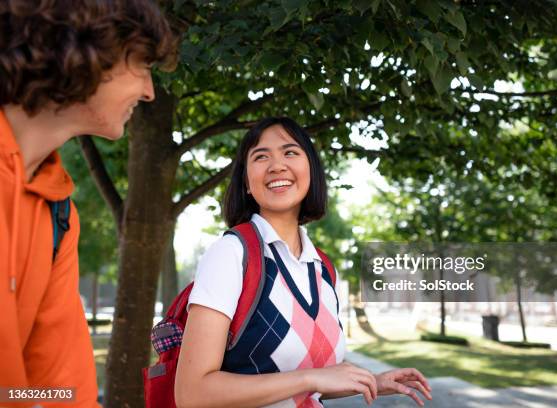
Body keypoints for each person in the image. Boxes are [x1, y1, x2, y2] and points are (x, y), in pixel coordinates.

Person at [174, 117, 433, 407]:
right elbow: (191, 394)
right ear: (247, 182)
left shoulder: (323, 268)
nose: (276, 165)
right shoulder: (231, 254)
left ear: (311, 170)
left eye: (290, 152)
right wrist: (311, 378)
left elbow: (309, 381)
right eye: (261, 157)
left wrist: (372, 381)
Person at [0, 0, 176, 405]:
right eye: (144, 65)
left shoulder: (57, 214)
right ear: (90, 46)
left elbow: (59, 387)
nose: (150, 92)